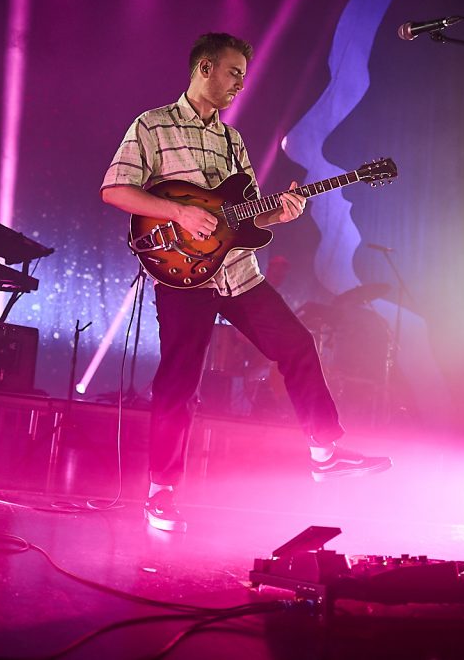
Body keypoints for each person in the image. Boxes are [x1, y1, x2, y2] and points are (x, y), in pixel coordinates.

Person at [101, 33, 392, 532]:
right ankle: (161, 493)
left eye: (243, 75)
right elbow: (114, 189)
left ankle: (324, 454)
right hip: (184, 276)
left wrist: (282, 212)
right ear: (205, 68)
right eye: (234, 72)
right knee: (179, 383)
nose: (240, 83)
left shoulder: (232, 140)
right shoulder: (152, 125)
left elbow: (248, 218)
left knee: (298, 345)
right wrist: (179, 213)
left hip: (238, 274)